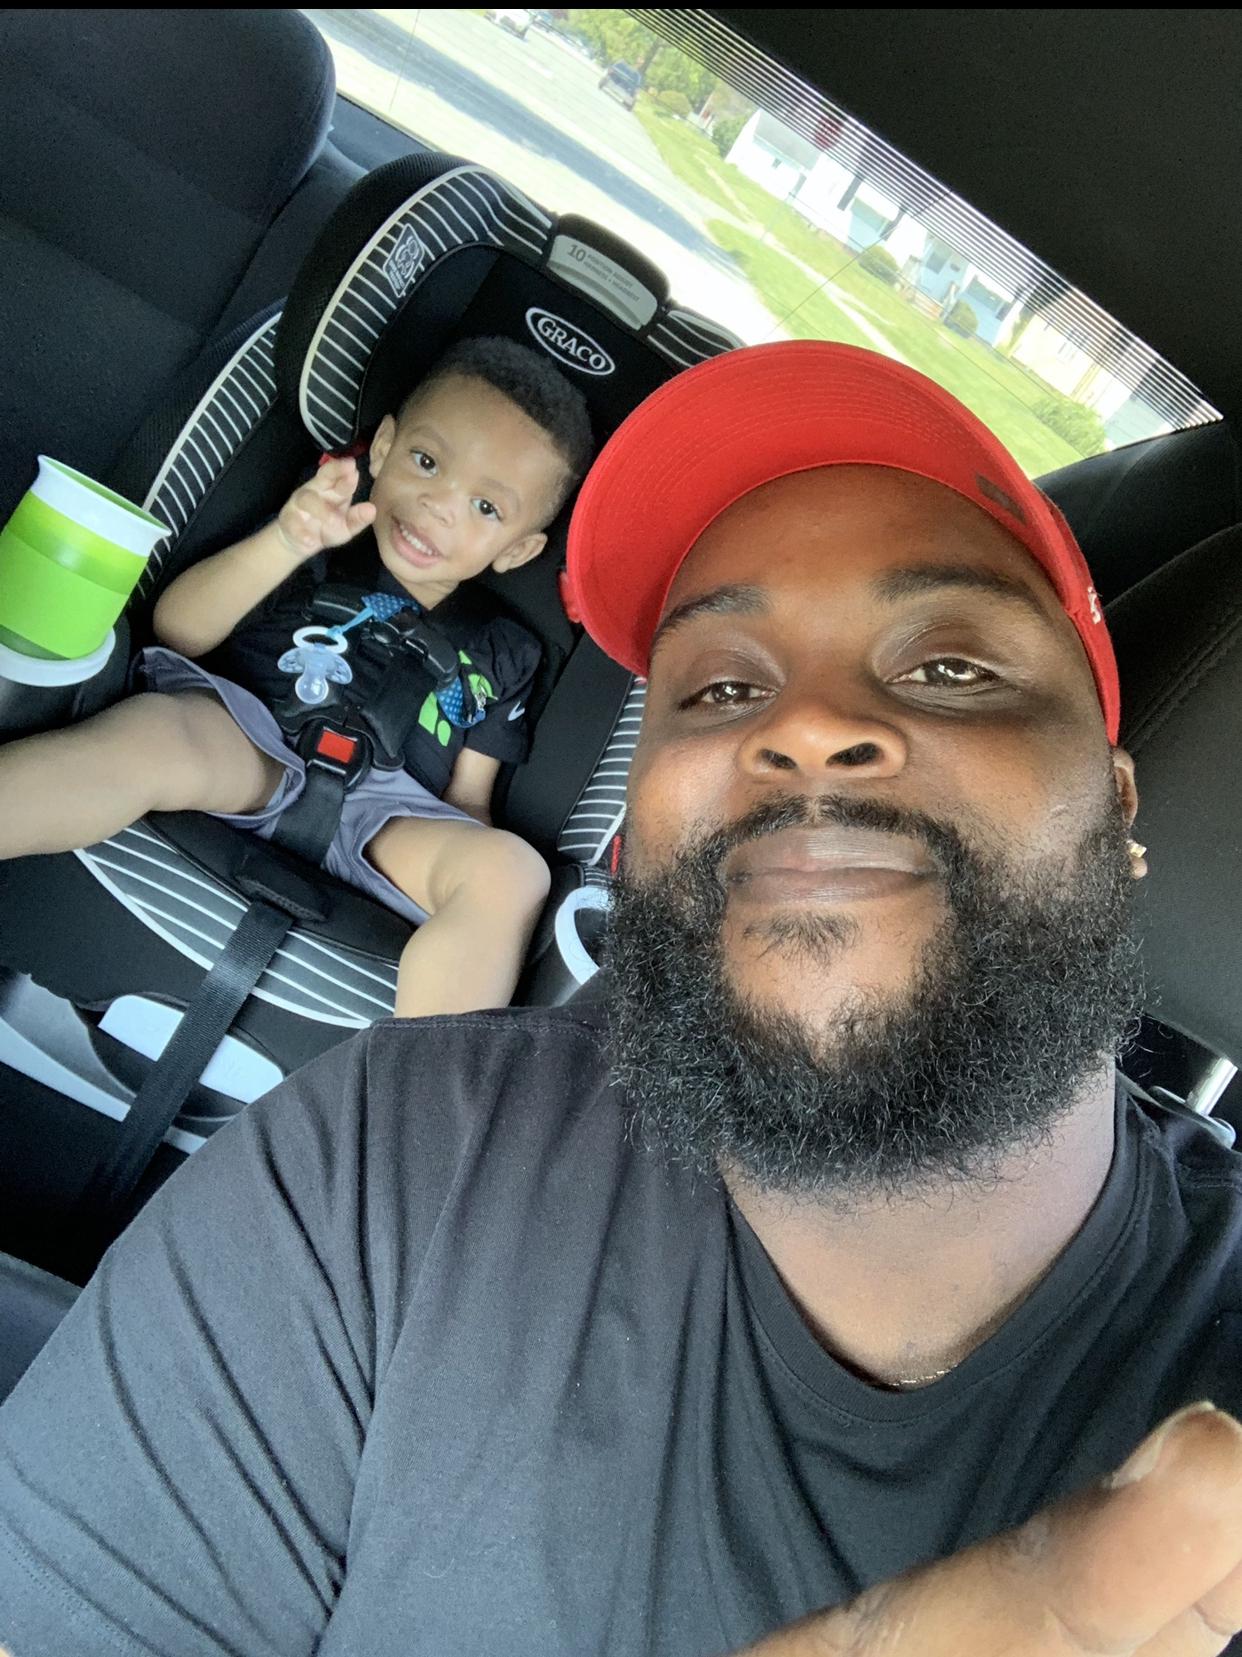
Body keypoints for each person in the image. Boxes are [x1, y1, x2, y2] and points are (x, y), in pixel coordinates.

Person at [3, 340, 1242, 1657]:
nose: (802, 726)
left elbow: (470, 811)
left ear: (1118, 807)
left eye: (948, 666)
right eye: (719, 686)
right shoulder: (388, 1157)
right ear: (633, 843)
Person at [0, 337, 593, 1017]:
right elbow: (178, 630)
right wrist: (287, 541)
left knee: (513, 871)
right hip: (247, 737)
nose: (440, 505)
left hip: (389, 817)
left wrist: (467, 871)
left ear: (518, 549)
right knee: (152, 735)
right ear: (383, 447)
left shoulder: (505, 651)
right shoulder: (315, 537)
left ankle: (416, 1078)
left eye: (486, 508)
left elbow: (469, 799)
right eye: (427, 462)